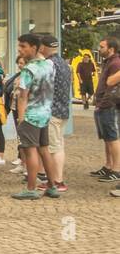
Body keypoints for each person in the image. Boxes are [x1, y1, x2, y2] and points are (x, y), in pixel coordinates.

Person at [12, 34, 59, 200]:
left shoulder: (28, 69)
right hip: (45, 113)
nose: (20, 49)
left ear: (34, 47)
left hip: (31, 115)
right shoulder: (49, 65)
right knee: (44, 150)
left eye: (23, 46)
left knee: (30, 151)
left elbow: (23, 95)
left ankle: (31, 188)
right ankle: (52, 186)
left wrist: (21, 117)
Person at [38, 34, 72, 193]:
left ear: (43, 47)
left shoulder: (48, 64)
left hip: (51, 110)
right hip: (63, 109)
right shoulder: (64, 64)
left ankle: (57, 181)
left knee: (53, 148)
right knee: (59, 146)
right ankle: (56, 179)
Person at [91, 37, 120, 183]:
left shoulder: (115, 63)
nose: (99, 49)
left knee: (112, 137)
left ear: (111, 49)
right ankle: (109, 166)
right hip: (103, 104)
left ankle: (116, 169)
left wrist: (104, 103)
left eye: (102, 47)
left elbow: (112, 86)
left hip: (109, 105)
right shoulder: (108, 62)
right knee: (107, 138)